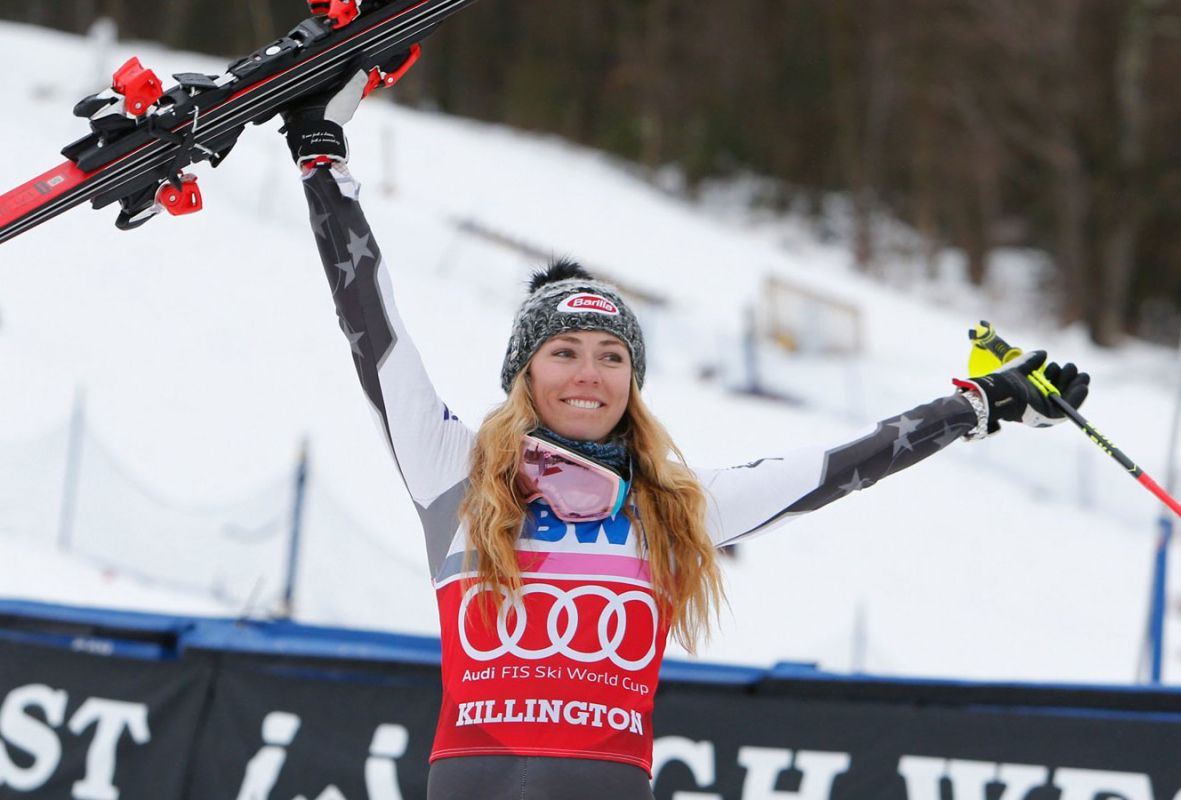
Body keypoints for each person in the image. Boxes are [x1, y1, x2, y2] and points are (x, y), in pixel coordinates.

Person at [281, 69, 1090, 800]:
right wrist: (322, 158)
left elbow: (844, 464)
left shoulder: (674, 509)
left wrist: (980, 405)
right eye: (562, 353)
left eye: (610, 357)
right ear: (525, 374)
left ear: (633, 383)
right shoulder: (452, 475)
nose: (588, 373)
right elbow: (374, 331)